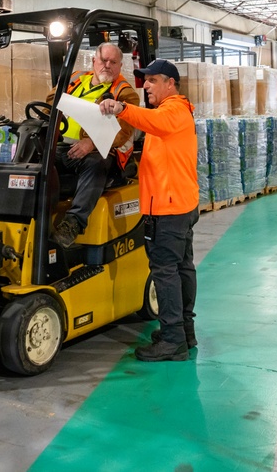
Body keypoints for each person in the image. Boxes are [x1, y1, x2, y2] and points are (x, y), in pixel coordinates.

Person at [99, 59, 199, 362]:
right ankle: (184, 332)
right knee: (182, 268)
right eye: (145, 80)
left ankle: (172, 340)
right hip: (180, 203)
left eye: (153, 80)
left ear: (170, 83)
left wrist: (121, 109)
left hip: (168, 208)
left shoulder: (173, 111)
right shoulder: (172, 113)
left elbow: (154, 122)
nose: (146, 86)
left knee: (165, 272)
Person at [46, 43, 140, 248]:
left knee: (96, 163)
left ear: (120, 66)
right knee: (31, 161)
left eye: (113, 62)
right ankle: (34, 216)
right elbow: (51, 100)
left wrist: (92, 142)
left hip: (102, 151)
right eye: (103, 60)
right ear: (94, 61)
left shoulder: (124, 93)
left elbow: (123, 131)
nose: (107, 65)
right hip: (62, 145)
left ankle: (73, 222)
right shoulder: (75, 79)